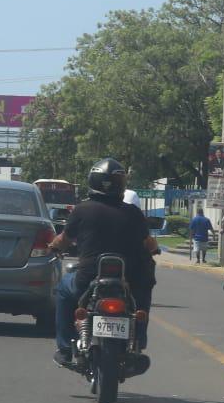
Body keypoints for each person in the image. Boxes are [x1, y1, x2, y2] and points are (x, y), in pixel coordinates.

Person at [49, 158, 158, 372]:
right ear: (121, 183)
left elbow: (63, 240)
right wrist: (154, 250)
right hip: (131, 282)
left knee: (63, 290)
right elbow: (149, 243)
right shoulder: (134, 213)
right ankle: (139, 339)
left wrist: (53, 248)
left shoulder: (81, 210)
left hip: (87, 280)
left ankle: (64, 347)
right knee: (142, 299)